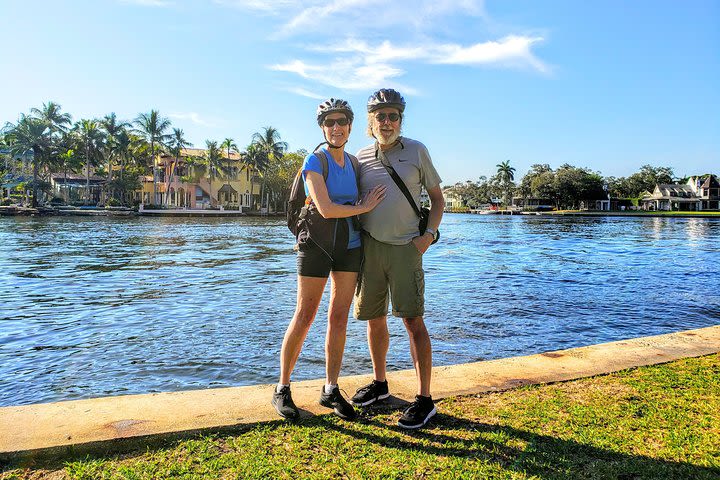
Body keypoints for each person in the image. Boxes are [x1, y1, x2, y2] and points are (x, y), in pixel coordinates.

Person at [272, 98, 386, 420]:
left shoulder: (353, 163)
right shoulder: (314, 160)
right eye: (330, 122)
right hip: (317, 246)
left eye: (342, 122)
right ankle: (282, 388)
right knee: (305, 315)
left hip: (349, 247)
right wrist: (364, 207)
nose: (336, 127)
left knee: (339, 317)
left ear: (350, 126)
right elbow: (326, 208)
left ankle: (330, 389)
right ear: (323, 128)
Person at [351, 88, 444, 429]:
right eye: (380, 116)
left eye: (393, 116)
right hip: (370, 248)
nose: (387, 122)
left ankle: (424, 399)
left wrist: (427, 237)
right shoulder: (359, 156)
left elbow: (438, 200)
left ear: (400, 120)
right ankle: (379, 384)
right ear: (370, 121)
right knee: (374, 318)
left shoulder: (417, 151)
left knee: (412, 320)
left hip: (407, 248)